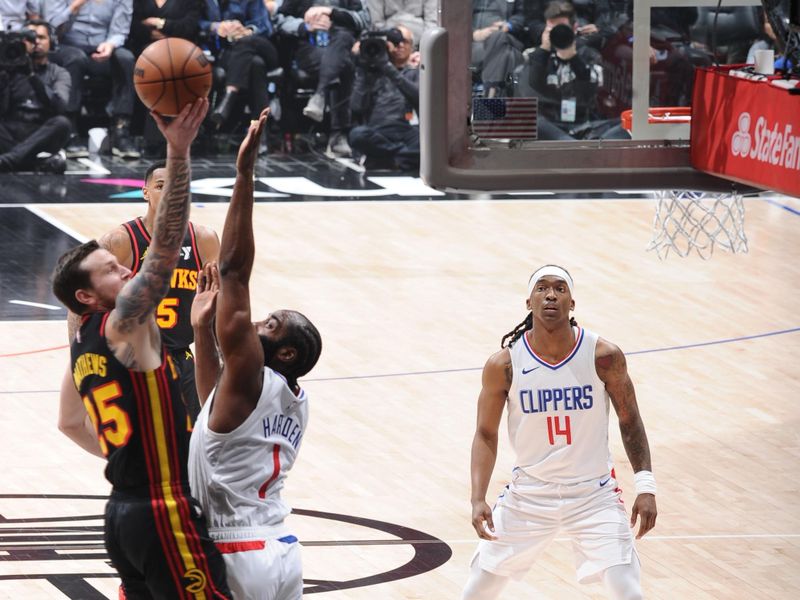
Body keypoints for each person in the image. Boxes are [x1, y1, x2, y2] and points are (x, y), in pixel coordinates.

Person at [51, 98, 232, 599]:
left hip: (123, 511)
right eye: (111, 270)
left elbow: (68, 423)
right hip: (162, 512)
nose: (127, 270)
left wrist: (133, 459)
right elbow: (168, 242)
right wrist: (179, 152)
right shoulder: (124, 324)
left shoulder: (84, 346)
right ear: (86, 296)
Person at [188, 108, 322, 600]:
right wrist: (202, 331)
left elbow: (234, 272)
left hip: (237, 550)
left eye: (270, 325)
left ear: (285, 351)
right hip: (281, 549)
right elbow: (212, 411)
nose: (256, 321)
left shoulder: (252, 373)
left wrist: (243, 176)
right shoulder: (292, 398)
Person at [462, 264, 657, 600]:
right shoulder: (505, 364)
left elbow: (630, 420)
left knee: (628, 593)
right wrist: (478, 497)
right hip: (530, 494)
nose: (550, 294)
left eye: (559, 288)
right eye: (541, 288)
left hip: (593, 494)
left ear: (572, 303)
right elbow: (485, 434)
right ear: (528, 302)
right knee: (476, 593)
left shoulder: (603, 357)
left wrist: (646, 486)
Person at [92, 160, 220, 424]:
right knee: (141, 448)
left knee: (198, 443)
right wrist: (81, 356)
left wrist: (225, 355)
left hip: (182, 356)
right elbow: (84, 302)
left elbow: (220, 303)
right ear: (145, 192)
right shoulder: (121, 241)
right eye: (161, 186)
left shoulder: (204, 240)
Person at [42, 0, 141, 158]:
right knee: (75, 59)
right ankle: (69, 130)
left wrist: (110, 45)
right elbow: (50, 26)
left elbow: (119, 30)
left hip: (101, 48)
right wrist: (75, 6)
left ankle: (120, 130)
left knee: (126, 59)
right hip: (66, 46)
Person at [275, 0, 371, 157]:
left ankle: (319, 95)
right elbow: (279, 20)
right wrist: (304, 25)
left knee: (343, 41)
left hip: (342, 45)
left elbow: (364, 19)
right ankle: (338, 134)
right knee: (343, 65)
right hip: (310, 48)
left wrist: (331, 13)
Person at [0, 19, 72, 173]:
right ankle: (35, 163)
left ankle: (8, 161)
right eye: (30, 39)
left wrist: (32, 76)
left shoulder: (59, 73)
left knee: (62, 123)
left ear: (51, 42)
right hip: (9, 132)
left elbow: (60, 106)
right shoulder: (8, 69)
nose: (36, 42)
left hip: (40, 133)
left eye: (41, 37)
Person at [199, 0, 280, 134]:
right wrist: (216, 27)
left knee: (245, 43)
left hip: (261, 46)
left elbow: (265, 26)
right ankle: (259, 133)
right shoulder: (206, 3)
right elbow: (196, 22)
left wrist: (247, 31)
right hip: (230, 53)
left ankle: (229, 97)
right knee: (255, 64)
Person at [349, 23, 419, 170]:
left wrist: (388, 68)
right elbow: (356, 106)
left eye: (404, 41)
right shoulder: (373, 72)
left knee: (431, 145)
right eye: (394, 42)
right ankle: (399, 158)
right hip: (377, 133)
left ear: (412, 47)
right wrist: (363, 67)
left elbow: (418, 97)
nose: (399, 45)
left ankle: (383, 158)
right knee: (357, 135)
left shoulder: (416, 72)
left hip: (406, 131)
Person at [364, 0, 437, 47]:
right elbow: (377, 24)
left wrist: (423, 50)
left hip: (419, 45)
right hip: (387, 43)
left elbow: (431, 23)